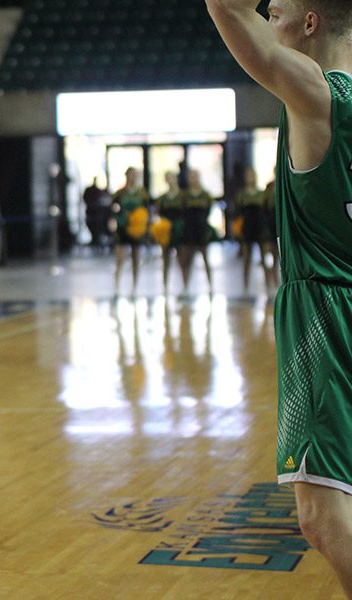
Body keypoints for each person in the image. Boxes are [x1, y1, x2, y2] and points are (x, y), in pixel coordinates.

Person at [207, 0, 352, 595]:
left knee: (320, 516)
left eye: (278, 11)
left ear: (309, 23)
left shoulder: (318, 93)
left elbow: (225, 8)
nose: (268, 19)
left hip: (325, 314)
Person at [235, 166, 277, 293]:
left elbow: (266, 209)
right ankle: (245, 286)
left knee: (264, 257)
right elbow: (238, 214)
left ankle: (269, 285)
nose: (250, 178)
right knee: (246, 257)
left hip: (260, 227)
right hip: (247, 228)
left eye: (252, 175)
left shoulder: (262, 193)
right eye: (248, 176)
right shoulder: (242, 195)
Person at [110, 167, 151, 296]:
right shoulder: (120, 193)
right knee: (119, 257)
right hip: (123, 227)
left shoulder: (142, 194)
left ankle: (134, 287)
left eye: (135, 175)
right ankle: (116, 285)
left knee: (135, 256)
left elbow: (148, 209)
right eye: (130, 175)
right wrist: (118, 219)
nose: (132, 178)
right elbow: (112, 208)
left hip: (136, 228)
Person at [176, 169, 214, 295]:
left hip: (201, 228)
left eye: (195, 176)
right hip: (189, 229)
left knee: (205, 257)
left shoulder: (205, 195)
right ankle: (185, 286)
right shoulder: (184, 196)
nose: (193, 179)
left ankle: (210, 286)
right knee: (186, 259)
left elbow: (209, 209)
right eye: (190, 177)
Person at [154, 171, 184, 293]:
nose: (170, 181)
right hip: (166, 231)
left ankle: (184, 285)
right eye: (168, 178)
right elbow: (158, 213)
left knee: (182, 259)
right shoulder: (162, 199)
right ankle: (165, 286)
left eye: (172, 178)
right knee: (165, 259)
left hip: (179, 230)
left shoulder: (183, 196)